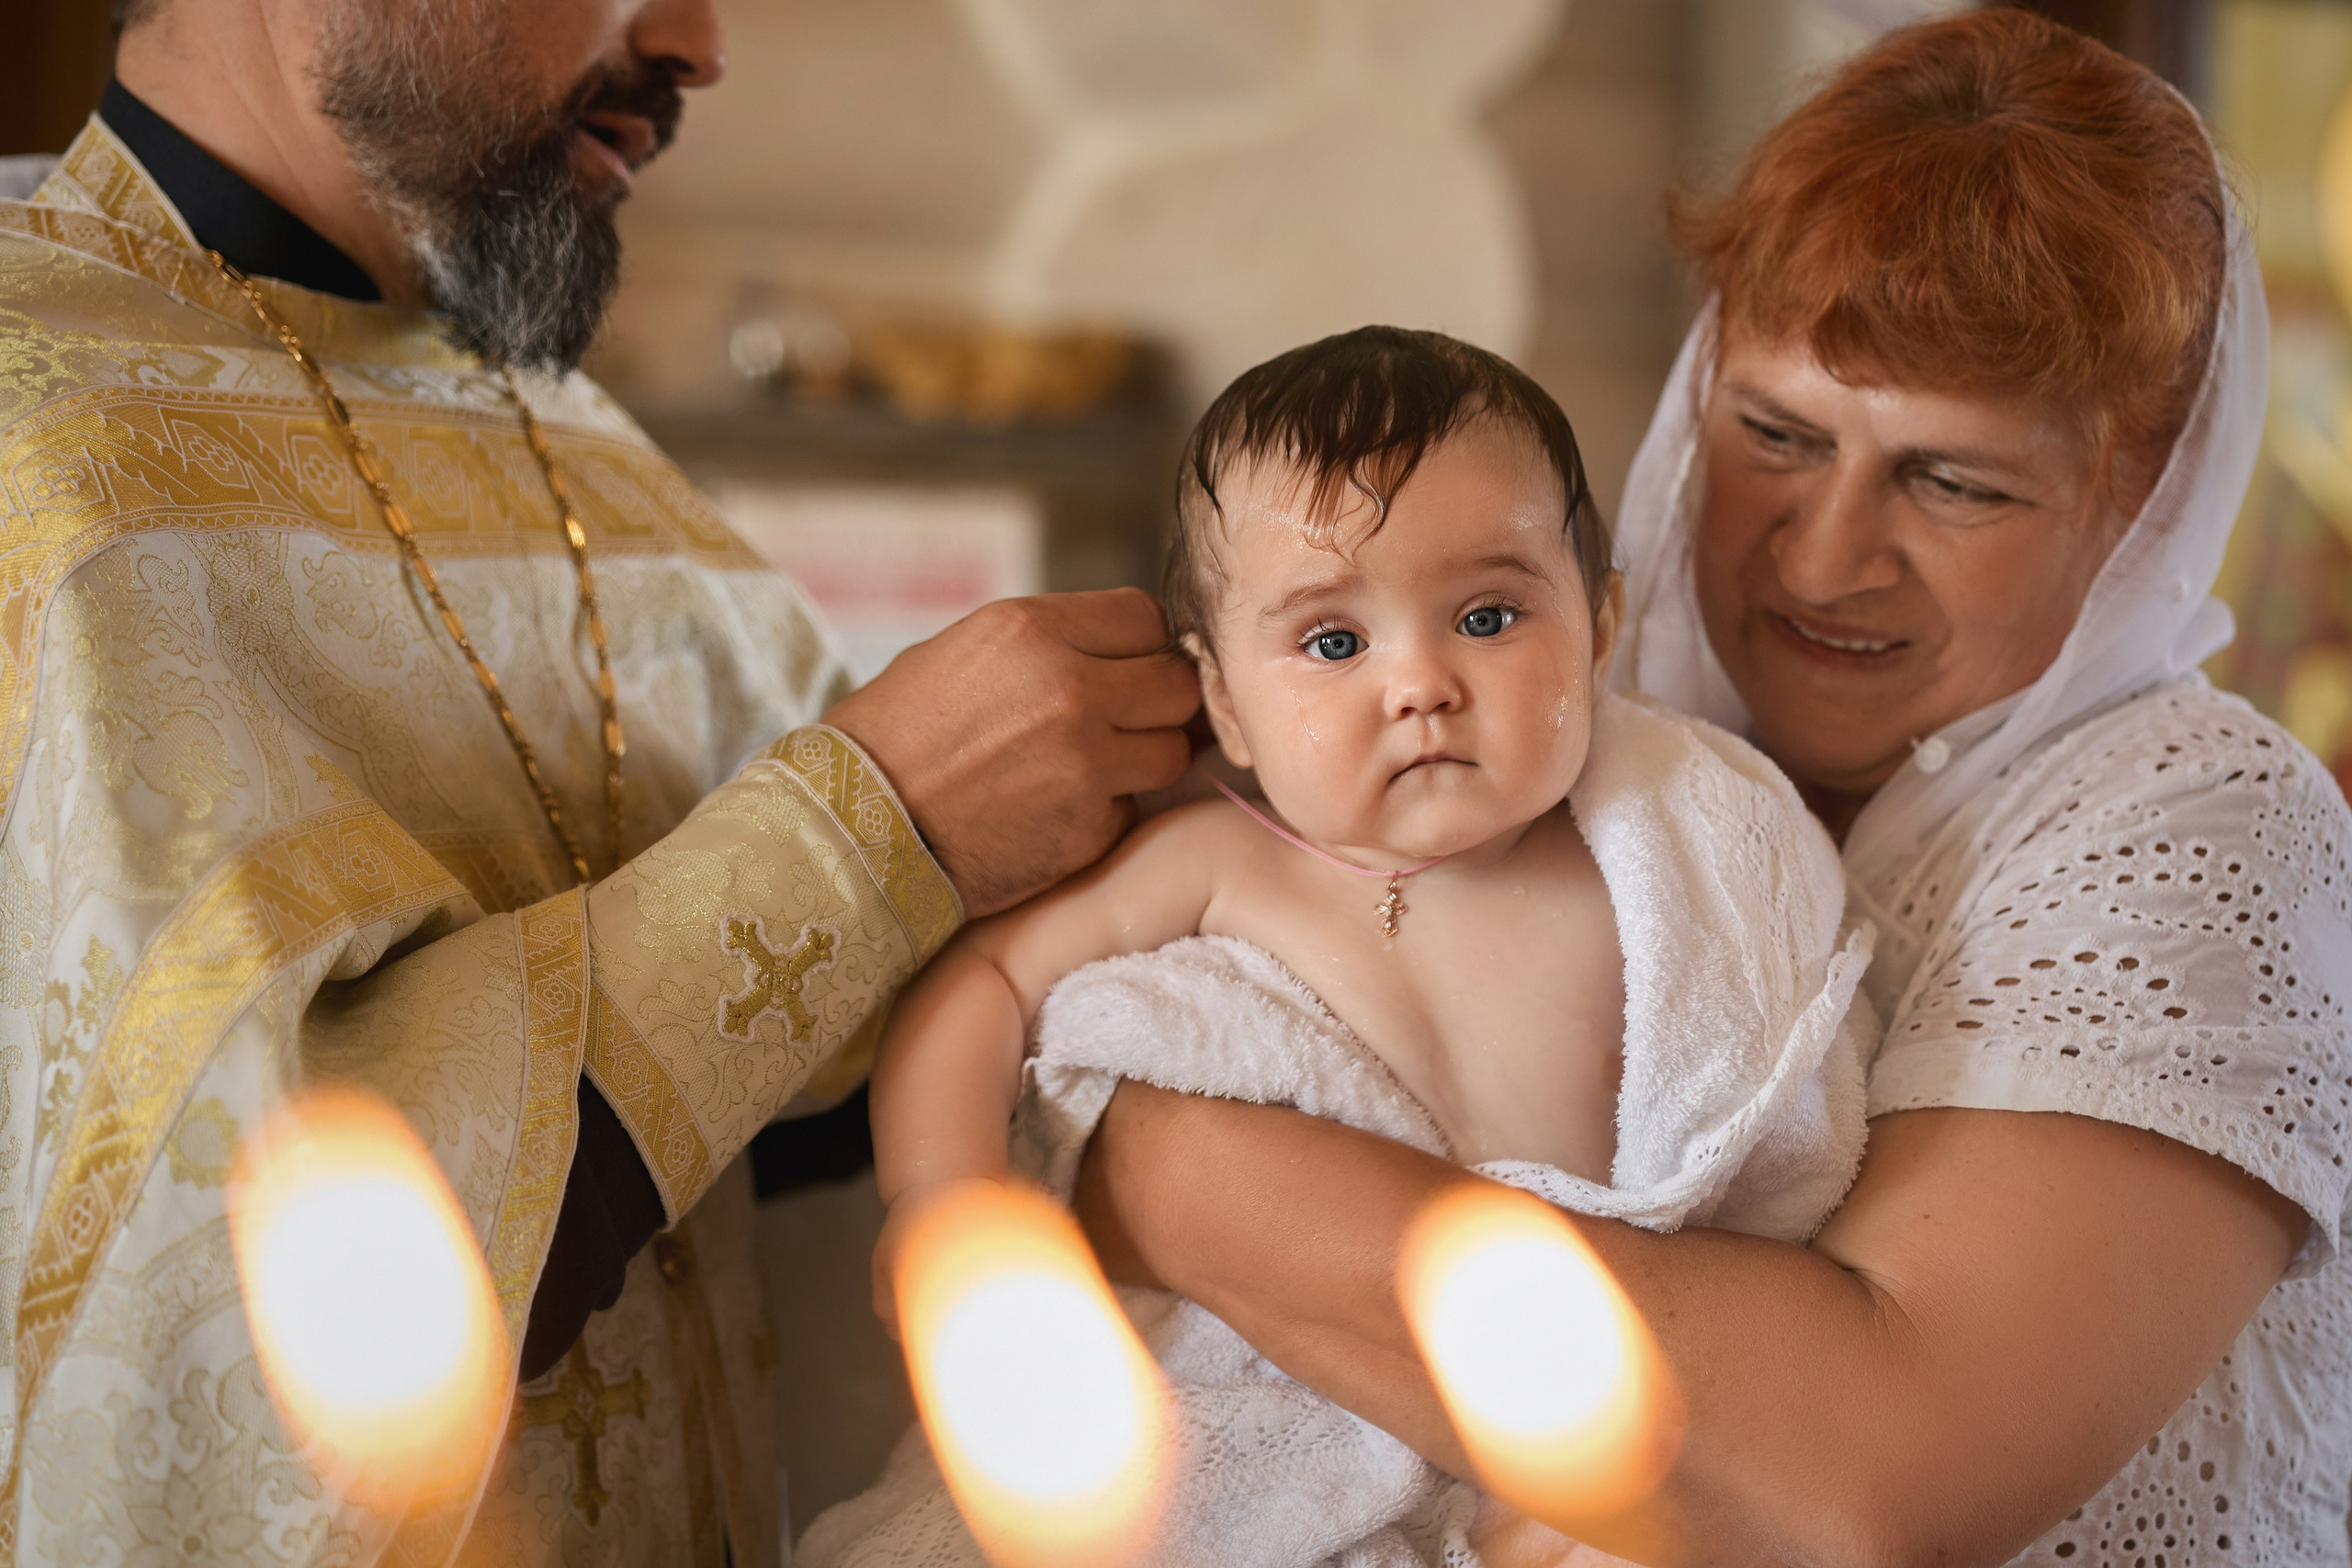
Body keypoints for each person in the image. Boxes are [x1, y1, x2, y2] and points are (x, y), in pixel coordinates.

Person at [1069, 14, 2352, 1566]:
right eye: (1775, 433)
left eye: (1954, 480)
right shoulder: (1570, 747)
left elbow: (1864, 1473)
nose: (1821, 557)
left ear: (2140, 510)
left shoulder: (2202, 820)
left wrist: (1157, 1159)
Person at [0, 1, 1195, 1564]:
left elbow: (820, 1117)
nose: (696, 45)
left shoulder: (581, 454)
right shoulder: (38, 452)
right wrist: (871, 824)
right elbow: (233, 1297)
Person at [805, 327, 1873, 1567]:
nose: (1418, 681)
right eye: (1331, 643)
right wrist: (943, 1192)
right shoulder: (1220, 869)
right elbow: (980, 982)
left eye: (1486, 615)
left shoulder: (1671, 868)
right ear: (1224, 706)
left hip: (1592, 1422)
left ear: (1600, 626)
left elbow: (1773, 1121)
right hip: (1275, 1411)